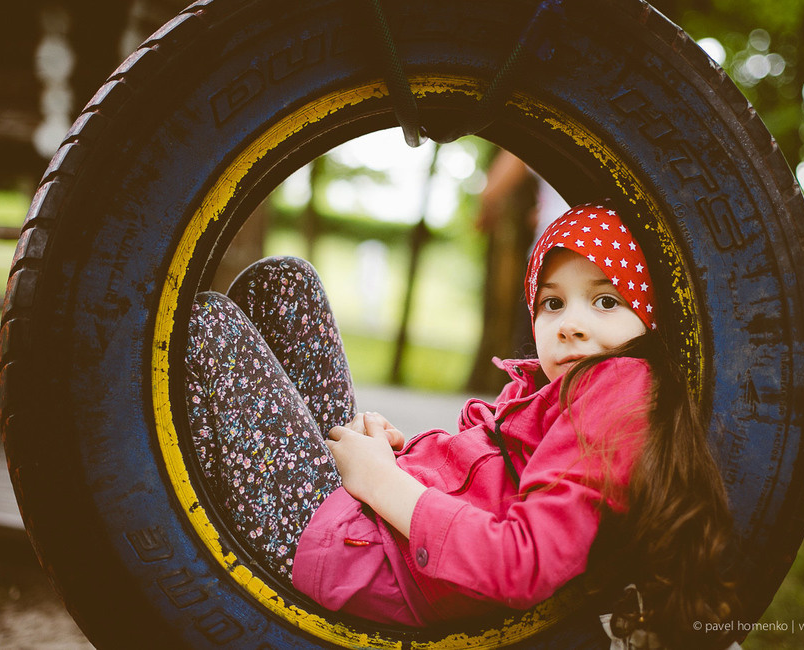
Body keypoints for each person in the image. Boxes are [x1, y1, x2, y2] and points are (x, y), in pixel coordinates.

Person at [185, 201, 739, 648]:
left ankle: (187, 522)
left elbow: (522, 562)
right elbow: (482, 485)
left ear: (649, 321)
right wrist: (398, 454)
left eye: (605, 300)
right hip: (362, 523)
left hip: (348, 553)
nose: (570, 325)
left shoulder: (621, 383)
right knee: (282, 283)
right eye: (552, 303)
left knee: (206, 323)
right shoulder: (552, 393)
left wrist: (382, 481)